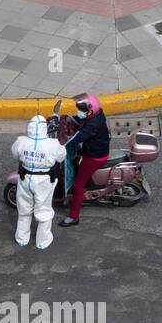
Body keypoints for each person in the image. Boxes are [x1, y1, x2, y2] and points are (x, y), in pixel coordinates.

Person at [10, 114, 68, 249]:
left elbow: (15, 154)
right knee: (44, 210)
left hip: (25, 178)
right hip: (44, 180)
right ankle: (42, 241)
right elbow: (61, 157)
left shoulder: (21, 141)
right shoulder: (52, 144)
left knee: (24, 209)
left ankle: (22, 239)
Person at [60, 93, 110, 227]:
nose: (80, 112)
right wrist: (67, 120)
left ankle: (73, 217)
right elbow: (79, 120)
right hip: (92, 149)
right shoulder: (95, 115)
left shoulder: (93, 123)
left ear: (90, 109)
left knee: (78, 185)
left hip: (94, 157)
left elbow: (78, 137)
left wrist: (61, 142)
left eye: (82, 110)